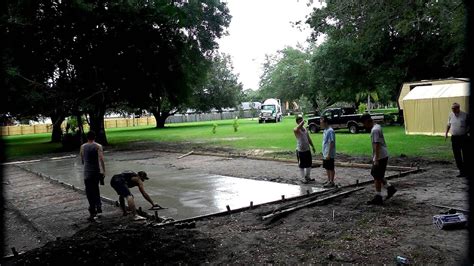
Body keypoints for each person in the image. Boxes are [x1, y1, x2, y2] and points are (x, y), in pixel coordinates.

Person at [361, 114, 397, 205]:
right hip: (382, 155)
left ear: (367, 121)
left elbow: (376, 144)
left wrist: (376, 159)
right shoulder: (377, 126)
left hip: (380, 156)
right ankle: (389, 188)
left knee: (376, 176)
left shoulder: (375, 130)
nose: (364, 126)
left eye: (363, 123)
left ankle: (378, 197)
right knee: (377, 174)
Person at [79, 131, 106, 221]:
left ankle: (92, 208)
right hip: (95, 171)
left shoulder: (82, 147)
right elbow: (101, 159)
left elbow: (82, 160)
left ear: (87, 137)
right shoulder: (98, 146)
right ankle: (99, 207)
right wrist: (104, 171)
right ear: (94, 137)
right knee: (96, 189)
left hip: (87, 172)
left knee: (89, 191)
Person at [445, 102, 470, 177]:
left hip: (463, 137)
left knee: (465, 154)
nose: (453, 110)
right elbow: (448, 124)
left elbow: (469, 125)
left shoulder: (465, 115)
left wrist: (468, 133)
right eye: (452, 108)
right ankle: (461, 171)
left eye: (454, 108)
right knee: (457, 154)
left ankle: (467, 170)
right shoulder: (450, 115)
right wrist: (446, 133)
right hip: (454, 138)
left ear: (458, 108)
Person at [294, 115, 316, 183]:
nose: (302, 122)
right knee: (302, 165)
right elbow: (297, 128)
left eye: (302, 120)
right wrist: (302, 122)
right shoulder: (296, 130)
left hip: (307, 149)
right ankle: (303, 178)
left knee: (309, 164)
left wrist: (312, 146)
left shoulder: (305, 129)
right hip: (300, 150)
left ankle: (308, 176)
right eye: (300, 121)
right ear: (297, 122)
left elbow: (308, 138)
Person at [321, 116, 336, 188]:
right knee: (327, 167)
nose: (321, 124)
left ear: (326, 122)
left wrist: (329, 154)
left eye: (322, 122)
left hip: (329, 153)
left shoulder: (330, 131)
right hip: (325, 152)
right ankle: (328, 180)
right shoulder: (325, 130)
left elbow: (331, 143)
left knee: (330, 167)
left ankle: (331, 181)